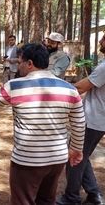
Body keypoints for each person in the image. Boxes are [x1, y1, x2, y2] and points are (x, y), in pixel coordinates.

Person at [0, 43, 85, 205]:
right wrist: (76, 149)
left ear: (30, 64)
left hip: (27, 159)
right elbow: (79, 123)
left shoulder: (15, 86)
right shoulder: (70, 89)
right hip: (57, 158)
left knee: (23, 200)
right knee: (46, 200)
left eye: (20, 62)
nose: (18, 66)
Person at [56, 33, 105, 205]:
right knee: (82, 157)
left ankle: (71, 197)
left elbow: (80, 87)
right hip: (99, 120)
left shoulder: (104, 67)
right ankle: (94, 194)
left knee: (74, 157)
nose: (100, 41)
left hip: (92, 119)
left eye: (104, 39)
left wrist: (55, 88)